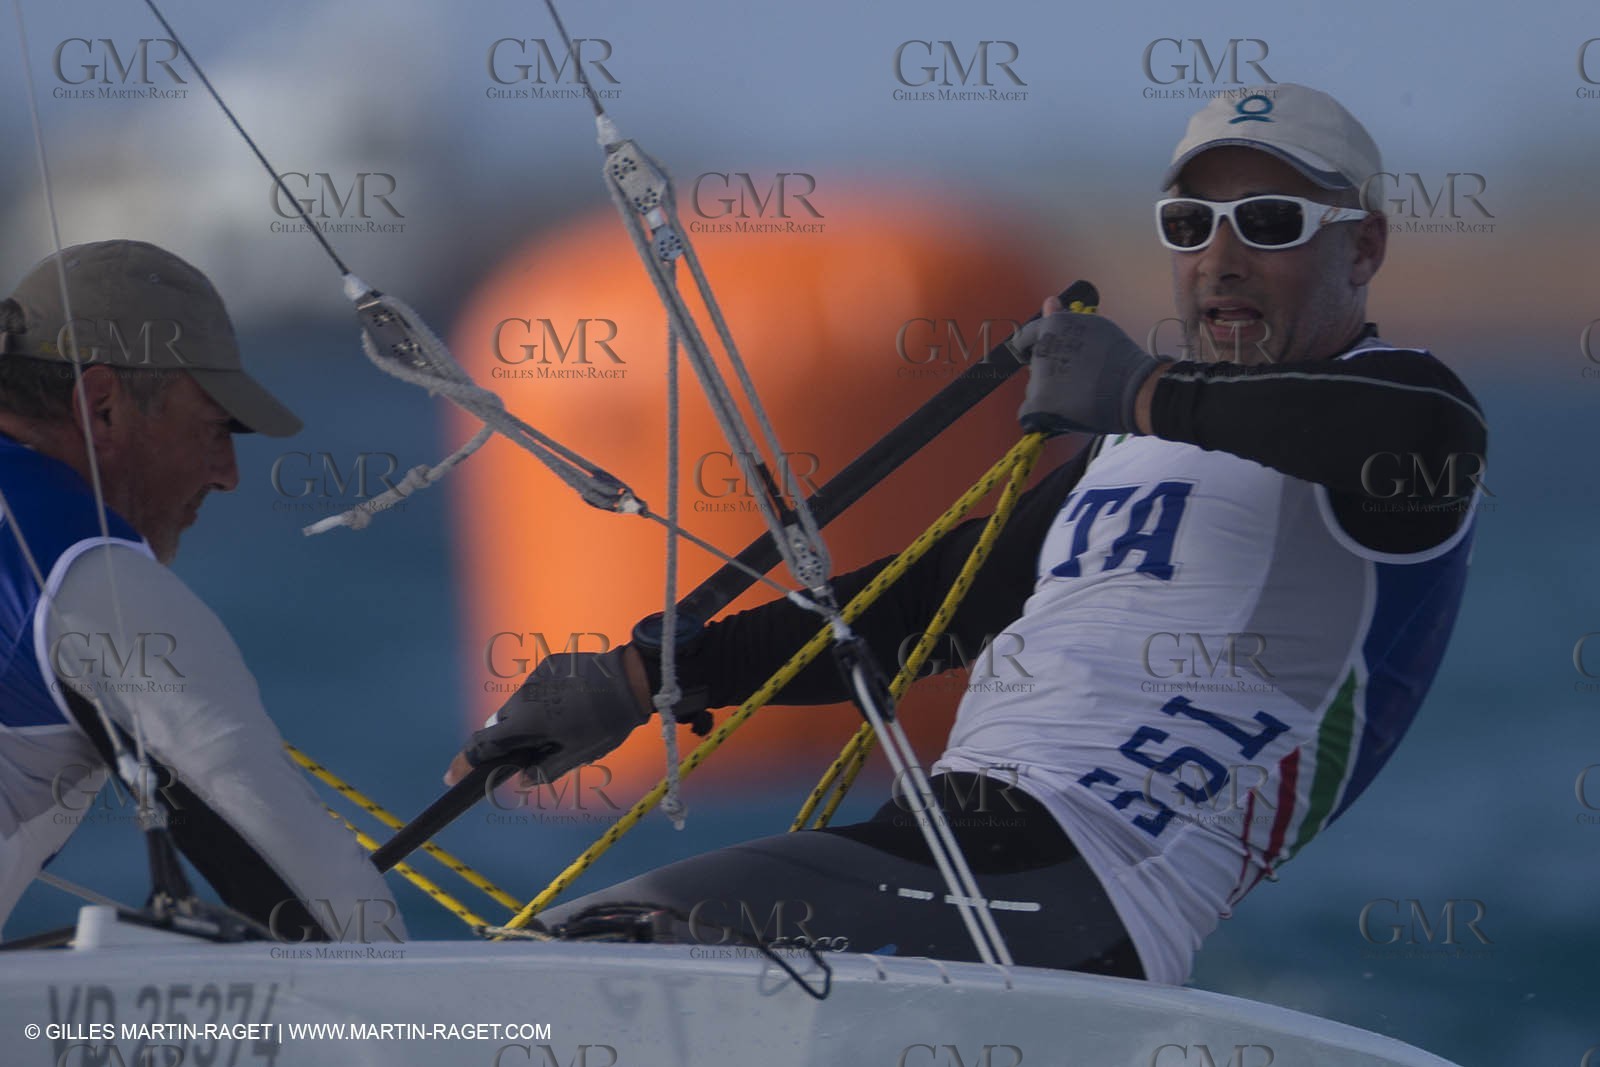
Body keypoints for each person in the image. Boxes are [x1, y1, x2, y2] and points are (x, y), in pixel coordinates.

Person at [446, 84, 1485, 984]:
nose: (1218, 259)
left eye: (1267, 221)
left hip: (1086, 890)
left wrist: (1141, 387)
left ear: (1364, 245)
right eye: (1186, 225)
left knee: (614, 951)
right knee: (576, 952)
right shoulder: (1126, 454)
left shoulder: (1404, 415)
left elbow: (1404, 432)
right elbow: (916, 606)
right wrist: (642, 677)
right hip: (946, 848)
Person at [0, 239, 404, 942]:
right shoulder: (88, 574)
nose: (228, 474)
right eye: (215, 428)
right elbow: (331, 916)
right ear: (101, 407)